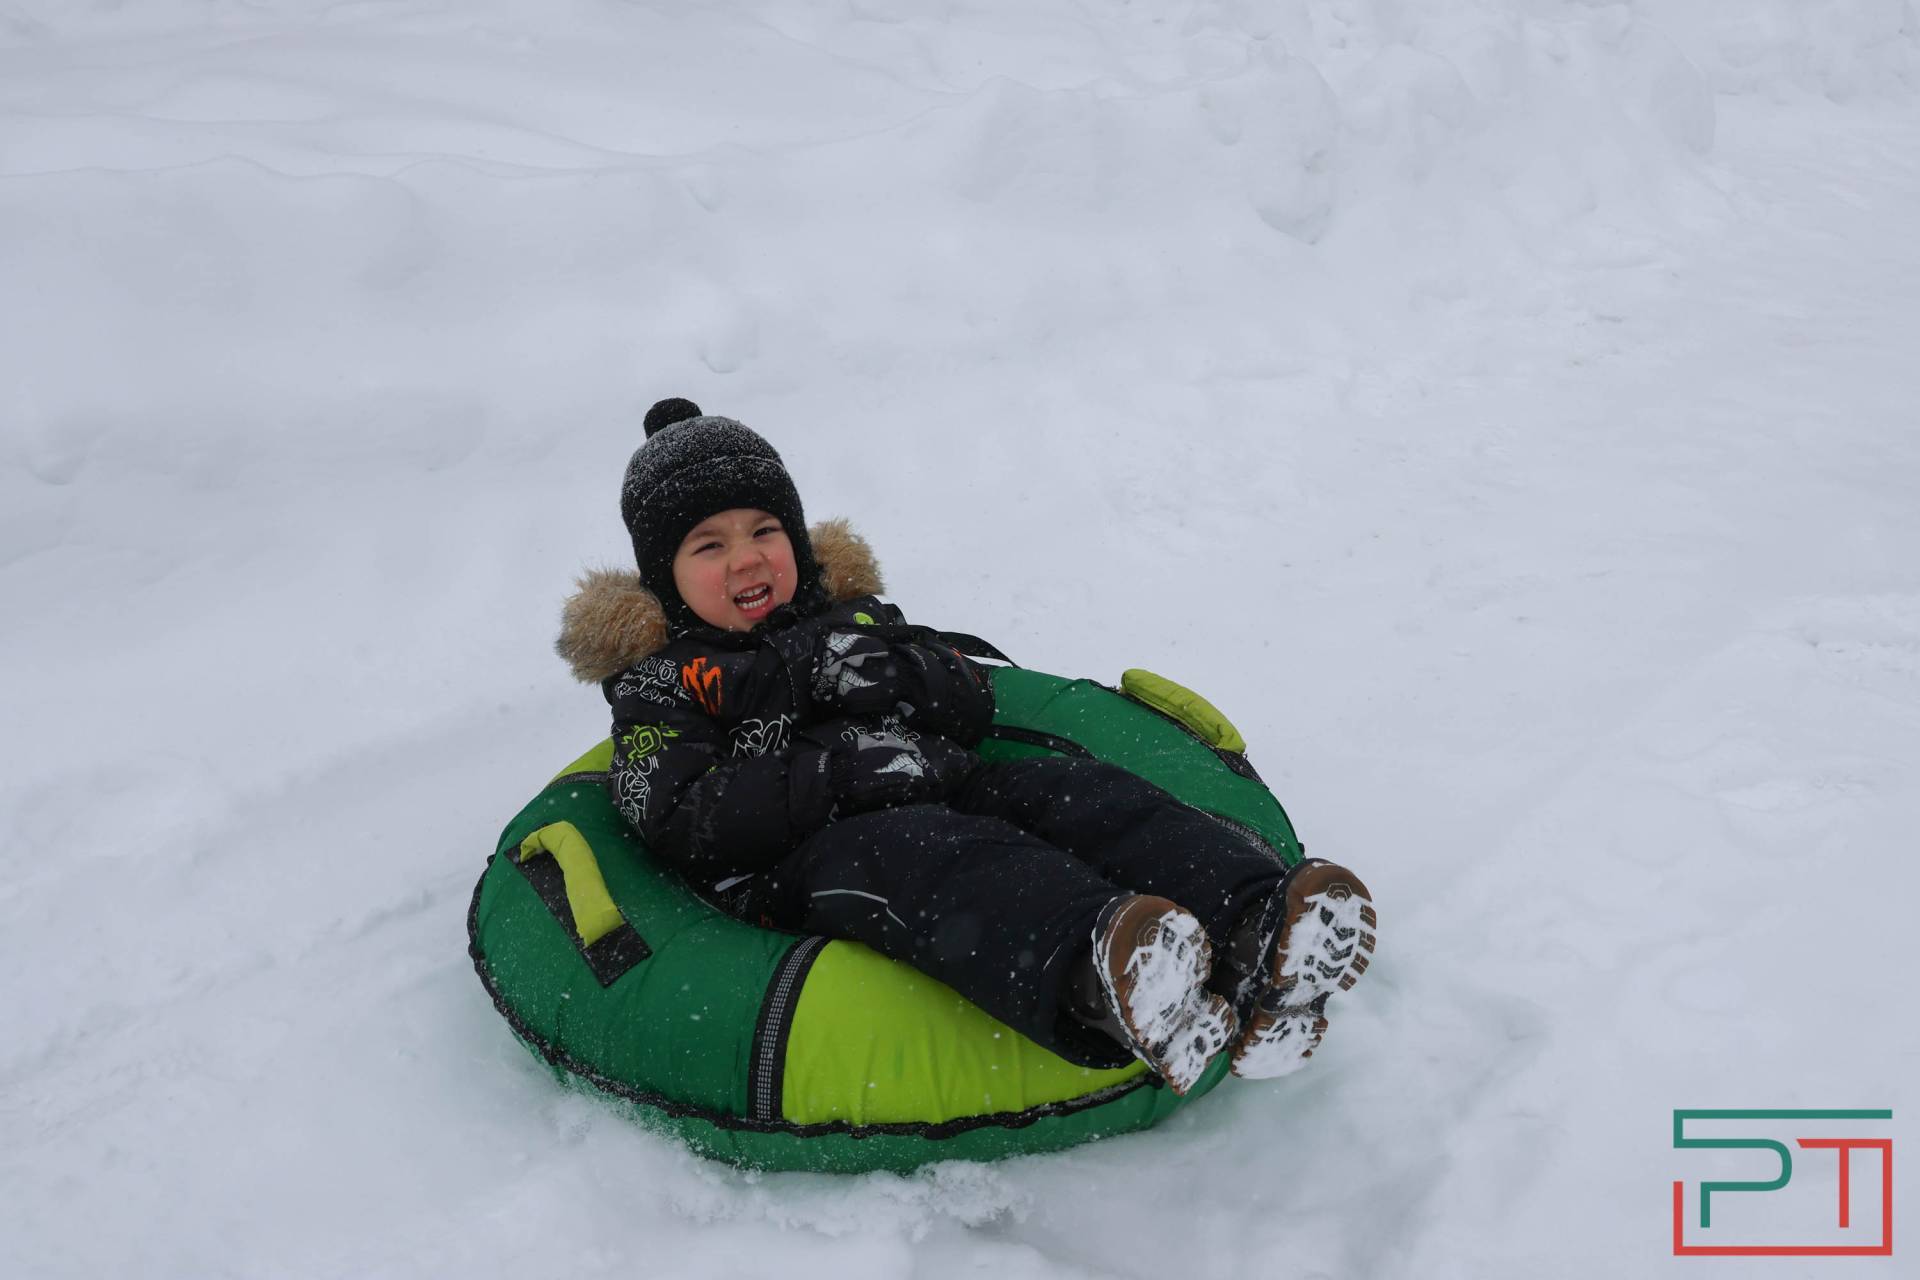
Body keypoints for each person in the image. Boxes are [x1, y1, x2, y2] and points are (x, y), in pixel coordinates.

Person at [556, 398, 1377, 1093]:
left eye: (765, 529)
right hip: (807, 858)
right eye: (709, 545)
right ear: (664, 577)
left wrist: (902, 676)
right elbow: (678, 814)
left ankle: (1256, 930)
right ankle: (1106, 973)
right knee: (933, 856)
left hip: (944, 782)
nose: (747, 558)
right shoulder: (664, 683)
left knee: (1078, 798)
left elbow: (972, 697)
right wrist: (837, 775)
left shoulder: (853, 617)